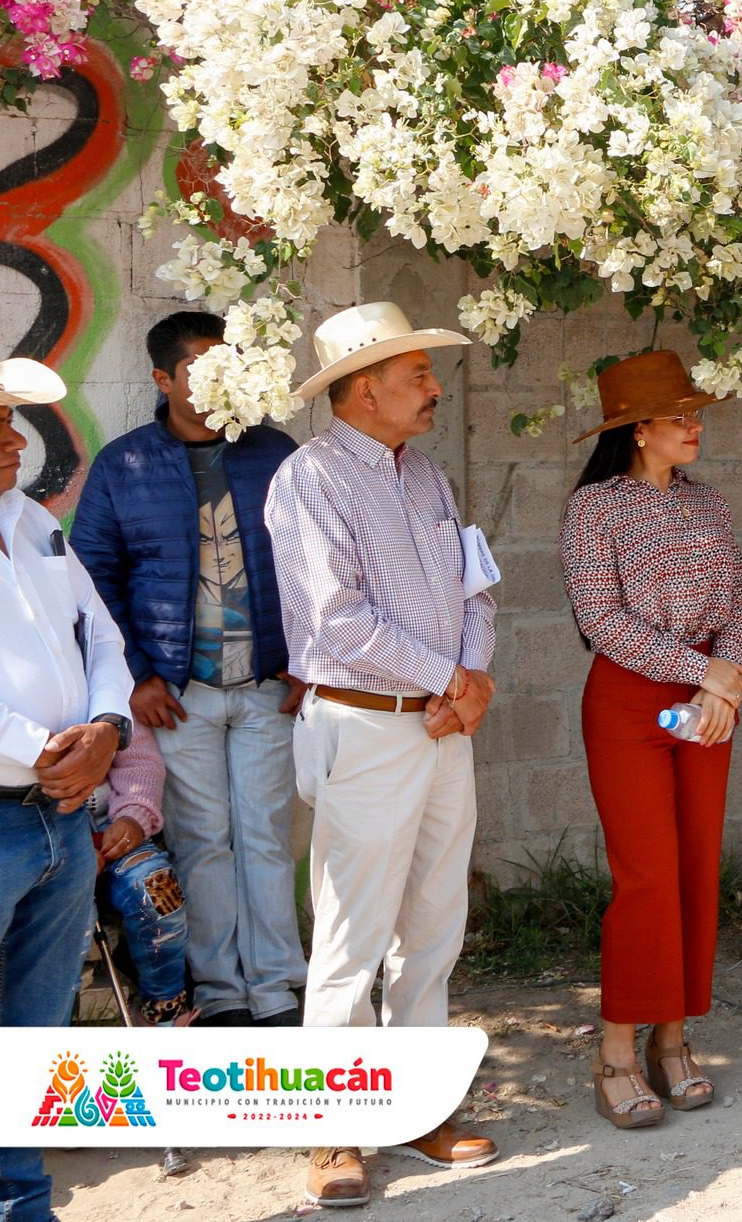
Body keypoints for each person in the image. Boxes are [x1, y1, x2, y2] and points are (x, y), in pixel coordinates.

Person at [265, 302, 499, 1208]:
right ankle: (334, 1131)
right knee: (350, 941)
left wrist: (468, 676)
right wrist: (451, 677)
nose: (435, 389)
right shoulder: (310, 479)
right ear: (365, 391)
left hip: (442, 726)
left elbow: (475, 583)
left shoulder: (427, 476)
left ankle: (416, 1108)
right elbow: (334, 620)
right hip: (366, 729)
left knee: (434, 930)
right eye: (417, 377)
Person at [70, 309, 306, 1027]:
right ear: (163, 378)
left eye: (226, 366)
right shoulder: (125, 464)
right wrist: (138, 673)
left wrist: (306, 659)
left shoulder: (274, 452)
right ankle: (221, 992)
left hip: (269, 684)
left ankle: (275, 989)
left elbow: (311, 563)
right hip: (179, 694)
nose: (214, 381)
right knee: (202, 840)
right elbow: (93, 578)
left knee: (268, 834)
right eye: (199, 367)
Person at [0, 338, 132, 1221]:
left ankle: (14, 1205)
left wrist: (106, 730)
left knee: (29, 1040)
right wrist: (46, 747)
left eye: (13, 425)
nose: (15, 442)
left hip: (61, 819)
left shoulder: (32, 521)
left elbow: (99, 634)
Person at [561, 352, 742, 1127]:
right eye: (679, 417)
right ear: (639, 430)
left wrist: (726, 674)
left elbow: (736, 598)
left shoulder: (710, 507)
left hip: (707, 702)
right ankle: (614, 1051)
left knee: (697, 866)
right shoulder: (594, 510)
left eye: (694, 414)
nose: (694, 426)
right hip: (633, 702)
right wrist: (704, 671)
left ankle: (673, 1042)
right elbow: (601, 620)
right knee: (645, 876)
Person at [94, 729, 193, 1026]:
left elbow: (141, 763)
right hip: (42, 841)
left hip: (114, 833)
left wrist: (133, 817)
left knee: (158, 887)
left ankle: (162, 1011)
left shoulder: (103, 686)